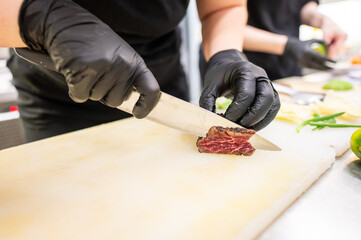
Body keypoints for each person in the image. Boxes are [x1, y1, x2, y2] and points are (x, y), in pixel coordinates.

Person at [0, 0, 280, 142]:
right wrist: (42, 18)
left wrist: (227, 52)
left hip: (161, 91)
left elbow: (224, 6)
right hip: (58, 98)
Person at [243, 0, 347, 80]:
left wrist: (323, 20)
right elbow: (229, 26)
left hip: (292, 69)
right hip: (250, 69)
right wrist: (288, 46)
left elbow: (301, 5)